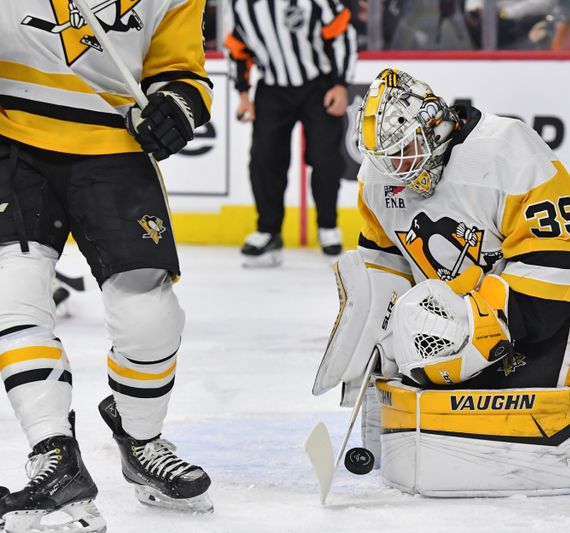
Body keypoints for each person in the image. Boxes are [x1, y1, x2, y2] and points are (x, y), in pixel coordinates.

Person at [0, 1, 213, 530]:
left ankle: (139, 436)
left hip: (113, 143)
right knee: (12, 294)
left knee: (150, 317)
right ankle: (55, 454)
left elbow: (183, 71)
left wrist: (175, 107)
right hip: (12, 137)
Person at [355, 68, 570, 390]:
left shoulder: (507, 150)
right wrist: (385, 336)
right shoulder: (377, 181)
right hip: (462, 323)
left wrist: (484, 324)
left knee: (512, 403)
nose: (396, 169)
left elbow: (563, 258)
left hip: (562, 310)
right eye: (386, 158)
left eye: (403, 151)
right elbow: (383, 266)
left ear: (433, 124)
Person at [225, 0, 358, 266]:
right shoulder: (241, 6)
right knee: (264, 161)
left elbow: (342, 33)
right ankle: (269, 232)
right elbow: (238, 49)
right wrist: (243, 94)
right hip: (272, 88)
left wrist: (341, 84)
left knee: (325, 158)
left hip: (318, 85)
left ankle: (328, 227)